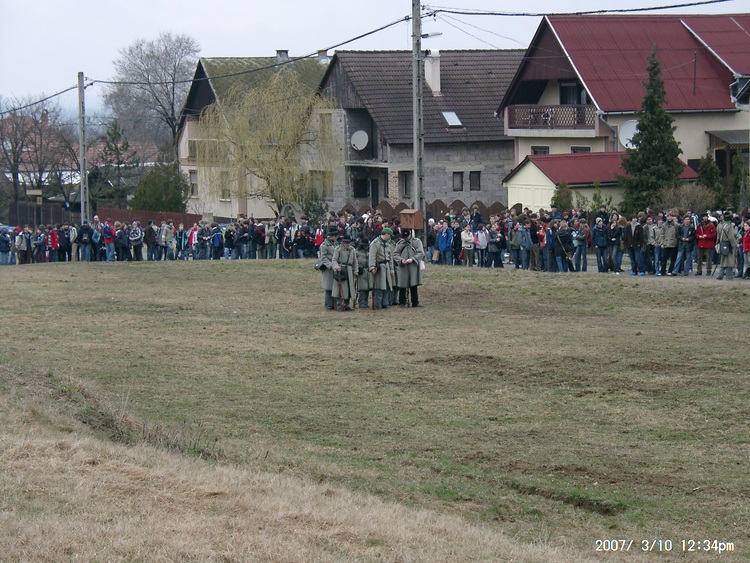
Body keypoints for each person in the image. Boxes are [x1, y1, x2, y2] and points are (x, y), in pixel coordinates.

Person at [394, 228, 424, 307]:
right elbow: (395, 254)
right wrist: (401, 260)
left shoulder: (417, 242)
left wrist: (413, 259)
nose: (405, 238)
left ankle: (415, 302)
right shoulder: (400, 243)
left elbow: (421, 253)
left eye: (407, 236)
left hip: (413, 266)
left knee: (414, 284)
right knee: (402, 284)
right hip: (403, 267)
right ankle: (402, 302)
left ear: (410, 234)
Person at [368, 227, 394, 309]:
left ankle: (385, 303)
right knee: (378, 286)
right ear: (386, 234)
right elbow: (372, 256)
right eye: (390, 235)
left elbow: (390, 257)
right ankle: (377, 303)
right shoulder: (375, 243)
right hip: (379, 267)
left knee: (387, 285)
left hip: (387, 266)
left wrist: (392, 269)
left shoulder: (388, 244)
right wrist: (372, 267)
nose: (390, 237)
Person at [331, 235, 358, 311]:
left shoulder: (352, 250)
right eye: (346, 242)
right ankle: (339, 305)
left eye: (348, 242)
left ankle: (347, 305)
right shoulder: (338, 249)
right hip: (341, 270)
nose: (347, 244)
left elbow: (355, 261)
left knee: (349, 289)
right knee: (340, 289)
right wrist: (336, 267)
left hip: (349, 271)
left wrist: (356, 271)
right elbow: (334, 260)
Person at [319, 226, 339, 310]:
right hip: (328, 269)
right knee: (328, 288)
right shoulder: (324, 245)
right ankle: (328, 305)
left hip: (336, 267)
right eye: (334, 236)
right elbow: (323, 258)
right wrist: (331, 266)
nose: (336, 237)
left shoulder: (337, 244)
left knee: (335, 287)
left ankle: (335, 304)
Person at [715, 212, 737, 280]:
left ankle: (720, 275)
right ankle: (729, 276)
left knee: (723, 261)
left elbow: (718, 236)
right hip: (728, 244)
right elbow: (731, 237)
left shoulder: (719, 225)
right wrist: (734, 245)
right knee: (729, 261)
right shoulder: (729, 226)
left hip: (722, 243)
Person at [355, 238, 372, 308]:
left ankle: (366, 302)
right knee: (362, 288)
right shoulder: (357, 252)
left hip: (368, 271)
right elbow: (354, 261)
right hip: (361, 271)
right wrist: (357, 269)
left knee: (367, 288)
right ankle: (361, 302)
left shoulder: (369, 252)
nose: (366, 247)